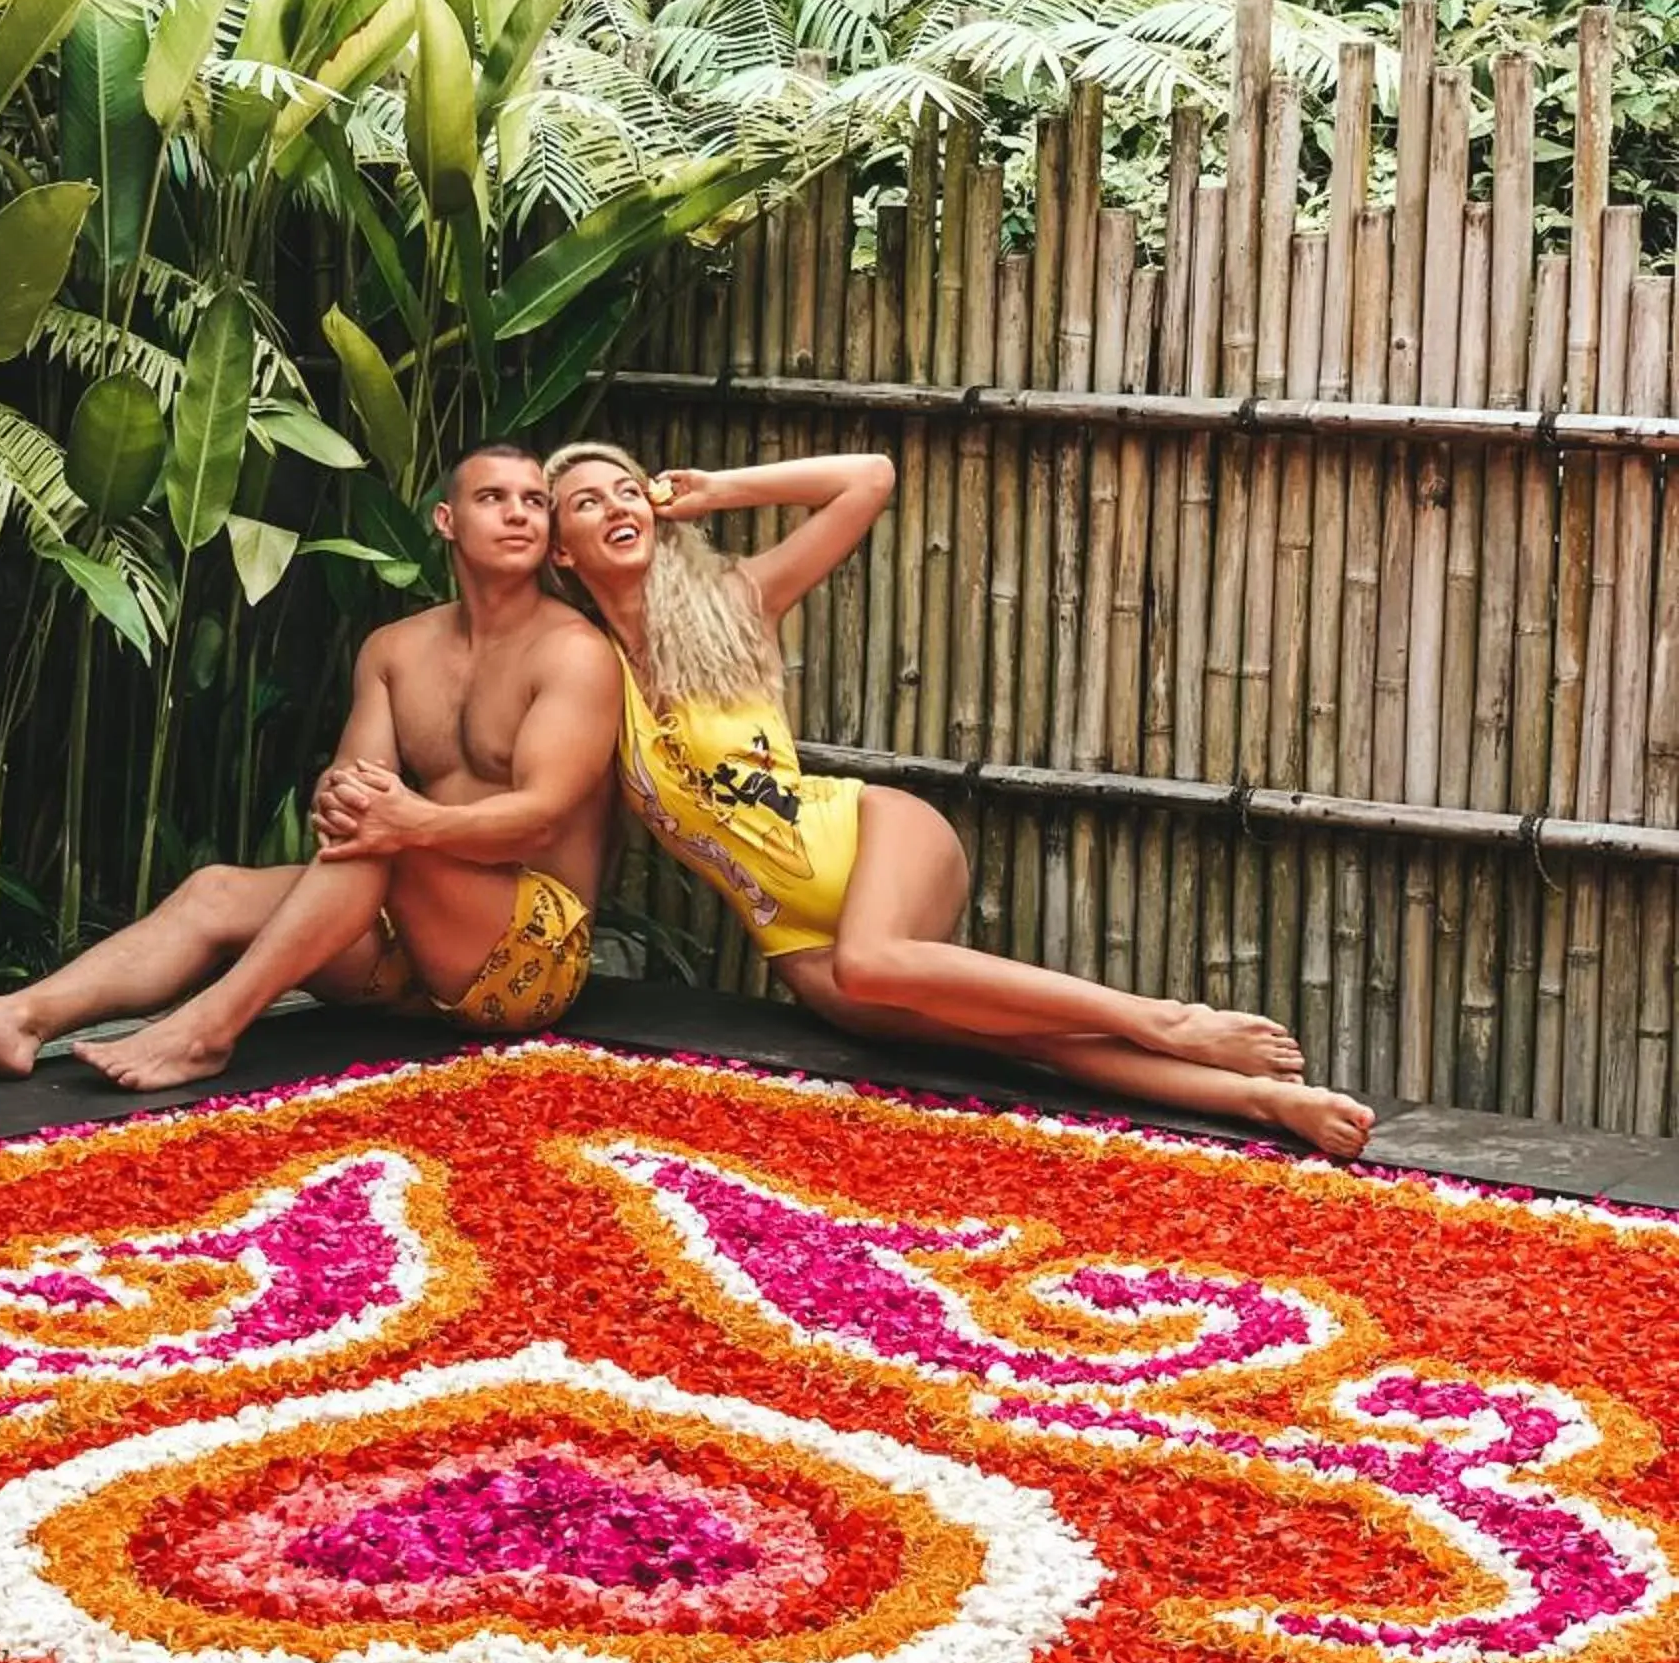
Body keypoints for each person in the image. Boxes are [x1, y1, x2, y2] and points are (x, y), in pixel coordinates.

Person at [545, 439, 1376, 1159]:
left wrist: (719, 491)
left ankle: (1166, 1019)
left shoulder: (736, 603)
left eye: (627, 487)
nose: (617, 504)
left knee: (875, 960)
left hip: (878, 836)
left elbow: (868, 477)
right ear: (562, 552)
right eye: (587, 502)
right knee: (1031, 1046)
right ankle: (1267, 1104)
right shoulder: (584, 673)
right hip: (800, 945)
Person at [0, 443, 621, 1091]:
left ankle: (208, 1027)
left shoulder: (572, 652)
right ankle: (20, 1019)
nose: (519, 514)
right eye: (492, 498)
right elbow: (351, 789)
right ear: (445, 519)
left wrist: (408, 821)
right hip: (407, 946)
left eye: (534, 501)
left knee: (386, 839)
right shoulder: (395, 650)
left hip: (533, 954)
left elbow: (539, 821)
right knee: (217, 890)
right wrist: (341, 797)